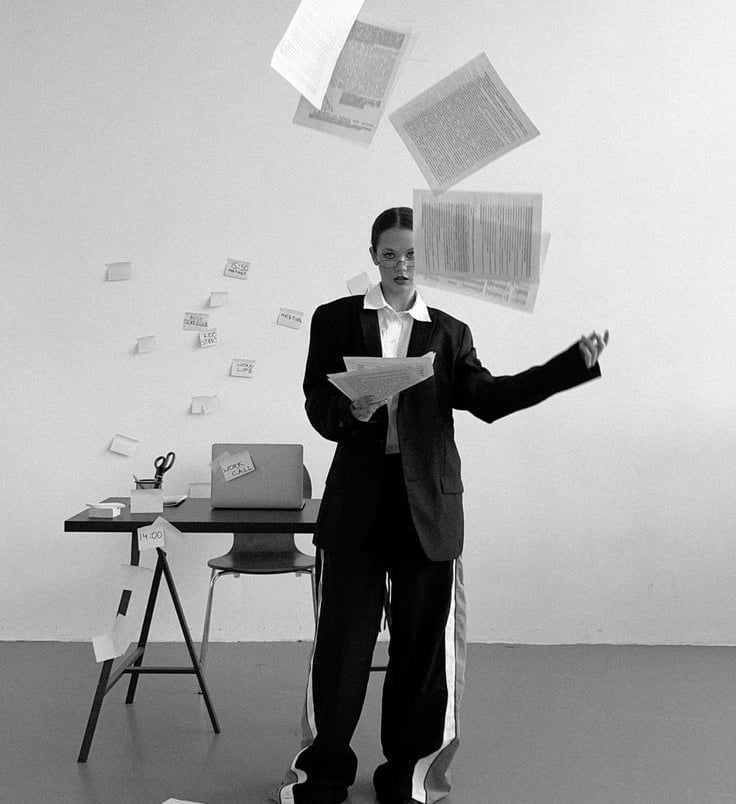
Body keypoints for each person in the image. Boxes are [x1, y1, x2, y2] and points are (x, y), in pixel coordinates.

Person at [275, 207, 608, 804]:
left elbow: (492, 399)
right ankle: (321, 777)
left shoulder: (449, 332)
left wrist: (570, 366)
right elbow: (317, 406)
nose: (400, 265)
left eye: (411, 255)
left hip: (428, 510)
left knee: (424, 657)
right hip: (355, 509)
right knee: (340, 652)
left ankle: (410, 776)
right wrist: (351, 410)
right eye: (389, 255)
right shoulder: (335, 320)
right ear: (373, 257)